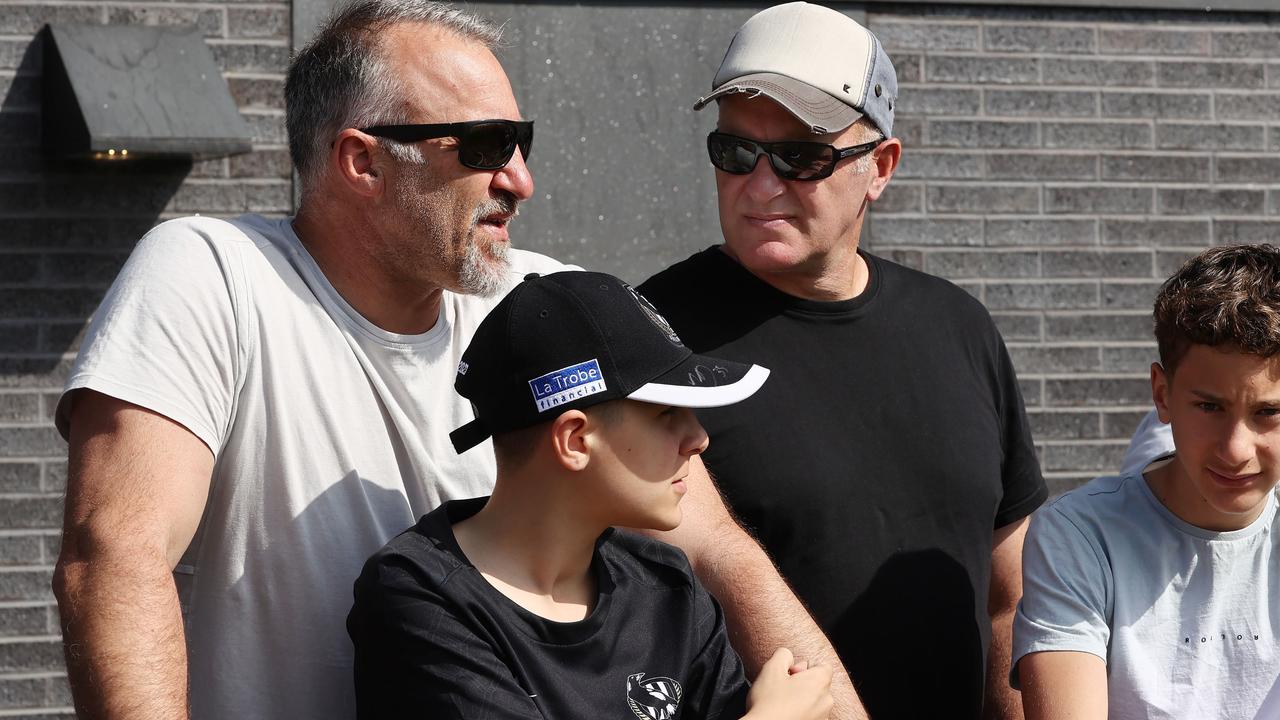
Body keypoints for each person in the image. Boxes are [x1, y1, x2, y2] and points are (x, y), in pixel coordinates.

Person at [50, 2, 857, 718]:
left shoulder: (541, 302)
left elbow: (714, 548)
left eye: (523, 140)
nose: (523, 179)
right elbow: (116, 554)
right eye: (486, 144)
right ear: (362, 161)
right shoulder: (215, 273)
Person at [637, 3, 1047, 718]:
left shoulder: (959, 326)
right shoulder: (649, 335)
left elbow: (1008, 599)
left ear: (880, 167)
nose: (760, 185)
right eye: (735, 152)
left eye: (802, 156)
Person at [348, 270, 833, 720]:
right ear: (575, 440)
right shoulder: (421, 600)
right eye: (667, 414)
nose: (699, 438)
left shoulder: (666, 589)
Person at [1012, 244, 1280, 720]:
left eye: (1269, 412)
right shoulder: (1082, 536)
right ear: (1162, 394)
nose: (1236, 450)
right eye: (1209, 407)